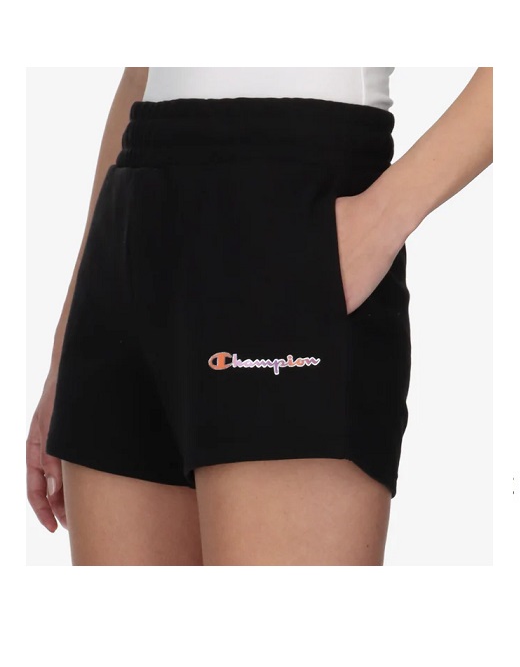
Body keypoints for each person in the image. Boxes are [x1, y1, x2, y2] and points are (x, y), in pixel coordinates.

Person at [26, 67, 493, 566]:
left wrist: (382, 219)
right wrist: (64, 352)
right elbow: (141, 73)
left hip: (291, 210)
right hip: (128, 217)